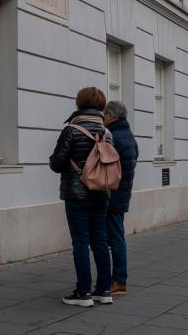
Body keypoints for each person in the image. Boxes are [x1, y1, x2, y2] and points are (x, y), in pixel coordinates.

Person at [49, 87, 113, 307]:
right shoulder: (107, 132)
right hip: (101, 192)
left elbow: (57, 163)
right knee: (100, 240)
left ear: (80, 103)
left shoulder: (72, 130)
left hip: (76, 194)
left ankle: (83, 292)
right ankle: (104, 290)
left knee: (80, 242)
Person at [102, 100, 137, 297]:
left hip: (113, 194)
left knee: (115, 238)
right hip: (122, 193)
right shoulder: (129, 135)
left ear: (111, 116)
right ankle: (117, 279)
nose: (102, 118)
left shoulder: (113, 137)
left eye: (104, 115)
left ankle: (119, 281)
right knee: (116, 236)